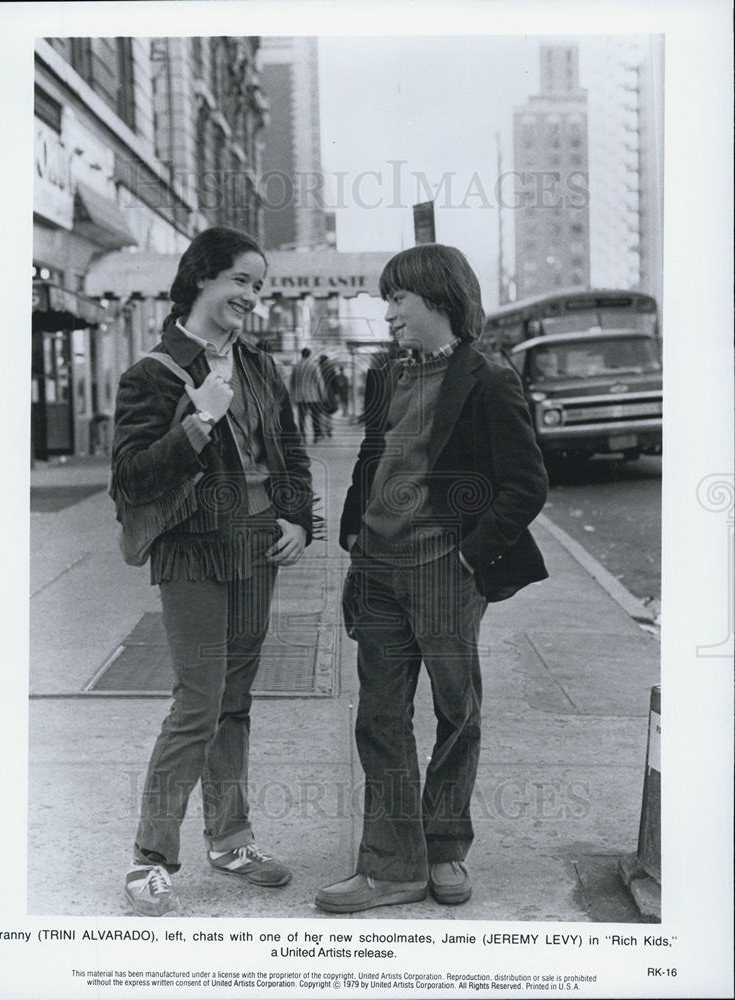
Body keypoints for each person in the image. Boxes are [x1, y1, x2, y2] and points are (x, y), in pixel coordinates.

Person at [315, 243, 549, 914]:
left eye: (397, 299)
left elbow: (525, 484)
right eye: (386, 299)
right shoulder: (386, 375)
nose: (386, 312)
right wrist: (356, 533)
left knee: (456, 713)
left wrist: (471, 556)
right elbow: (372, 454)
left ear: (438, 301)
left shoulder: (488, 377)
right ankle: (393, 867)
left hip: (445, 571)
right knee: (379, 719)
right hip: (380, 569)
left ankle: (444, 847)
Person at [110, 227, 317, 917]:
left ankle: (231, 841)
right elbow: (131, 478)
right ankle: (150, 857)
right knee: (197, 702)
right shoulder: (151, 372)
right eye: (241, 282)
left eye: (258, 286)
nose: (251, 298)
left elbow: (289, 450)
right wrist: (197, 422)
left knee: (234, 701)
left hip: (257, 546)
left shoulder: (258, 365)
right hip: (194, 549)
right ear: (202, 277)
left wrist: (295, 519)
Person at [289, 347, 326, 443]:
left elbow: (292, 382)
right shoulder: (313, 366)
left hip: (300, 396)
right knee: (315, 416)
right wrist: (323, 394)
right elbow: (319, 381)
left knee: (301, 417)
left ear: (302, 354)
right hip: (313, 396)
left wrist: (292, 395)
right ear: (309, 355)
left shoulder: (296, 366)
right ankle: (316, 436)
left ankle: (303, 436)